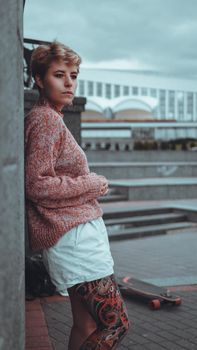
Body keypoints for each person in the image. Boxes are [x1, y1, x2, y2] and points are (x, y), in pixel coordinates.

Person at [25, 40, 129, 349]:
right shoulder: (45, 120)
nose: (69, 82)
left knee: (86, 323)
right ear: (40, 80)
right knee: (116, 324)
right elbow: (36, 184)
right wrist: (93, 184)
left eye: (74, 75)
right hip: (73, 238)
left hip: (75, 234)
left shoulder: (51, 119)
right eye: (59, 75)